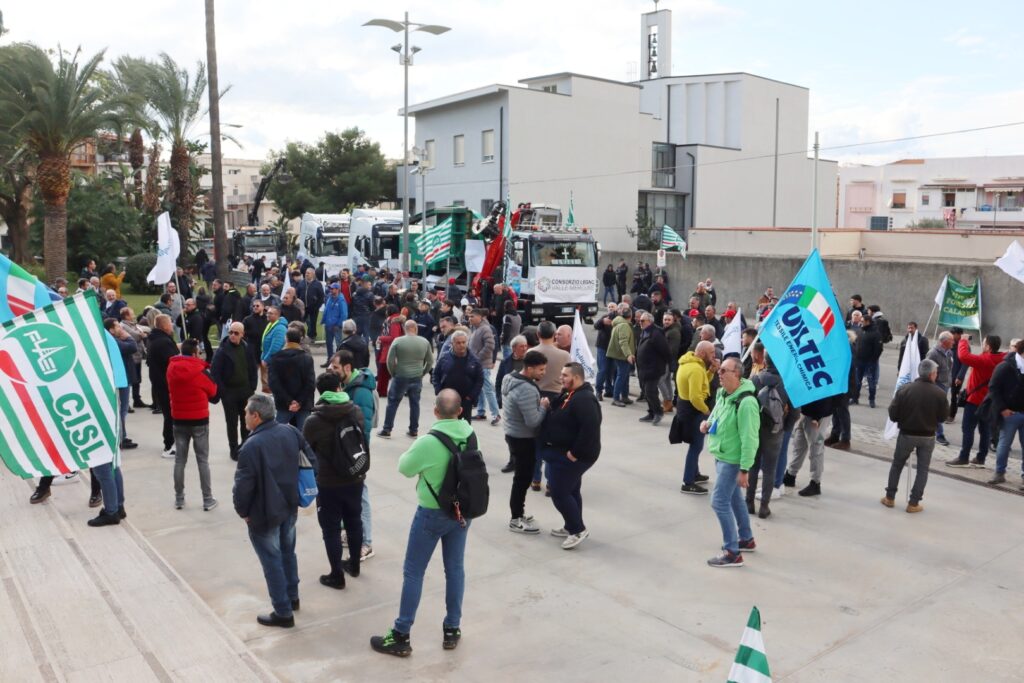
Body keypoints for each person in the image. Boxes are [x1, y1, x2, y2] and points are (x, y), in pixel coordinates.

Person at [369, 389, 475, 657]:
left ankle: (401, 633)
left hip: (432, 513)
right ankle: (452, 628)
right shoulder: (470, 434)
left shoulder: (428, 441)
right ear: (460, 411)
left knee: (414, 572)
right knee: (455, 569)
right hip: (462, 513)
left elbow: (405, 468)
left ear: (436, 411)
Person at [233, 393, 318, 629]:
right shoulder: (291, 432)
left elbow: (243, 488)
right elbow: (312, 462)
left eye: (246, 412)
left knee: (272, 562)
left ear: (256, 416)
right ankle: (292, 597)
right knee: (288, 553)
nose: (244, 415)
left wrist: (243, 512)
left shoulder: (251, 446)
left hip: (264, 514)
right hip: (289, 508)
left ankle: (283, 612)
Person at [304, 372, 367, 588]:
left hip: (328, 482)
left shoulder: (313, 421)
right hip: (355, 476)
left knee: (330, 529)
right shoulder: (355, 411)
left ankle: (336, 575)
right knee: (354, 521)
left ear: (320, 392)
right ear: (339, 387)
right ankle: (354, 565)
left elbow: (307, 450)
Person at [702, 357, 759, 568]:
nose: (719, 372)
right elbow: (717, 416)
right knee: (735, 499)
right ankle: (746, 538)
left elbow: (750, 439)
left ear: (737, 374)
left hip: (732, 461)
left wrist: (745, 469)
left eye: (724, 370)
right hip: (722, 454)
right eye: (720, 369)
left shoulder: (746, 403)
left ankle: (732, 552)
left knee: (719, 502)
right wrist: (708, 424)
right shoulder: (723, 394)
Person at [538, 362, 601, 549]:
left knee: (559, 492)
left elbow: (590, 429)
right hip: (563, 452)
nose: (561, 378)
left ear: (577, 377)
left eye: (565, 375)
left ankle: (577, 530)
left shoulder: (585, 399)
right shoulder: (570, 393)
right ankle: (571, 525)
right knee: (571, 490)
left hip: (575, 456)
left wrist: (575, 453)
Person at [329, 349, 379, 562]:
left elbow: (363, 428)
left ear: (347, 368)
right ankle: (351, 533)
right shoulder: (347, 386)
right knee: (347, 495)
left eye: (335, 367)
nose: (331, 370)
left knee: (361, 496)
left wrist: (356, 458)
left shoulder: (361, 392)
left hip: (356, 454)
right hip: (347, 452)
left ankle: (366, 542)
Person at [881, 359, 949, 512]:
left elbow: (893, 413)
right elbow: (943, 417)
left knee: (897, 465)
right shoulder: (940, 393)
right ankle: (913, 503)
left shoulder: (905, 389)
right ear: (931, 374)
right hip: (928, 436)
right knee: (922, 470)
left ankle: (890, 497)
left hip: (907, 434)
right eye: (936, 373)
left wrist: (902, 419)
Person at [167, 339, 220, 511]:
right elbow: (213, 391)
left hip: (179, 418)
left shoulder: (171, 368)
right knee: (202, 460)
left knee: (180, 460)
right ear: (195, 353)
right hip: (199, 420)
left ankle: (179, 498)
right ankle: (207, 499)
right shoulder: (200, 371)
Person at [502, 350, 548, 533]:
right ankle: (516, 519)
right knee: (522, 480)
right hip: (523, 439)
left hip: (513, 434)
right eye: (541, 369)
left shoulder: (510, 378)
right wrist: (543, 407)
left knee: (521, 478)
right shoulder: (526, 389)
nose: (544, 373)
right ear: (529, 369)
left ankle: (519, 513)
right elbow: (533, 421)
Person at [745, 353, 791, 519]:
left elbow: (745, 402)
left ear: (765, 361)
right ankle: (764, 506)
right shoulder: (787, 383)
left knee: (753, 465)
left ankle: (749, 502)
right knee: (770, 470)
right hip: (774, 431)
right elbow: (795, 412)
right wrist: (785, 427)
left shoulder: (755, 380)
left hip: (755, 428)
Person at [947, 335, 1002, 468]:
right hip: (989, 401)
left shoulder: (985, 360)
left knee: (968, 429)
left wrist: (963, 340)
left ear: (988, 347)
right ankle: (981, 458)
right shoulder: (1001, 358)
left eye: (984, 343)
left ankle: (963, 457)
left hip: (975, 401)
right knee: (985, 430)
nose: (982, 344)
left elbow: (963, 356)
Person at [211, 322, 259, 461]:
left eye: (236, 333)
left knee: (246, 421)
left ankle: (245, 446)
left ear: (242, 334)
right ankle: (233, 449)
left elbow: (253, 368)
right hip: (229, 393)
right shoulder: (222, 351)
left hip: (246, 391)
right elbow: (215, 373)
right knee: (232, 423)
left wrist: (252, 386)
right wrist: (223, 392)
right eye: (230, 332)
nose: (232, 335)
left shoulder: (247, 348)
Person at [379, 319, 434, 438]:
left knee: (393, 403)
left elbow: (390, 360)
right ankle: (413, 430)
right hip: (416, 376)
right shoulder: (424, 342)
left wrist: (393, 373)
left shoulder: (398, 341)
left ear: (405, 328)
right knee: (415, 404)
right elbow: (430, 361)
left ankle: (387, 429)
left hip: (401, 375)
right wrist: (422, 373)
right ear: (416, 328)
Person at [676, 341, 718, 494]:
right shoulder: (695, 369)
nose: (714, 356)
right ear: (702, 353)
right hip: (693, 411)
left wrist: (711, 371)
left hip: (686, 408)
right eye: (711, 353)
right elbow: (695, 397)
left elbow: (701, 382)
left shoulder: (690, 362)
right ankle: (688, 482)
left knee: (696, 445)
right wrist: (706, 411)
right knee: (696, 446)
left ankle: (695, 473)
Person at [986, 338, 1024, 486]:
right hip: (1010, 414)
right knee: (1004, 445)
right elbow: (993, 388)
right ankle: (999, 472)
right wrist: (1002, 408)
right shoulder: (1005, 366)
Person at [782, 393, 835, 497]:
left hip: (818, 416)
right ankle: (791, 475)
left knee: (816, 450)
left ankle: (815, 483)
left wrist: (817, 417)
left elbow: (826, 396)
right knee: (799, 445)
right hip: (806, 412)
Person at [268, 327, 316, 429]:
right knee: (304, 435)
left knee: (278, 434)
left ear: (286, 339)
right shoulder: (307, 358)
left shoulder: (276, 358)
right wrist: (299, 401)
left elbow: (274, 383)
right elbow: (310, 383)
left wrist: (289, 401)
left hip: (283, 404)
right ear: (300, 339)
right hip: (303, 404)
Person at [432, 330, 484, 422]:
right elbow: (435, 374)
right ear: (452, 344)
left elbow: (479, 380)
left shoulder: (474, 360)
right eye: (458, 343)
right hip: (447, 399)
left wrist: (470, 397)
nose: (461, 345)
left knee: (464, 426)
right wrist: (438, 391)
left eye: (464, 342)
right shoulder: (444, 357)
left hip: (465, 401)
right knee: (446, 425)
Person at [103, 319, 139, 450]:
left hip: (122, 378)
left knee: (122, 408)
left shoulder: (114, 340)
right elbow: (132, 347)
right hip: (121, 379)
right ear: (111, 330)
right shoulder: (113, 341)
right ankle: (121, 437)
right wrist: (128, 337)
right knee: (121, 409)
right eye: (118, 326)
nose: (121, 329)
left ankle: (122, 435)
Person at [147, 314, 179, 458]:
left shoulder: (156, 339)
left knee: (169, 414)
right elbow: (173, 362)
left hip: (160, 382)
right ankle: (169, 445)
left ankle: (171, 443)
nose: (172, 325)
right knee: (170, 415)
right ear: (165, 326)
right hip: (165, 384)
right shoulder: (163, 342)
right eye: (170, 323)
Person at [635, 311, 669, 425]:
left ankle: (658, 412)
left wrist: (663, 364)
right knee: (646, 392)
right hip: (643, 369)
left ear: (649, 321)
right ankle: (651, 413)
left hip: (654, 369)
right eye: (640, 320)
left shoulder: (656, 334)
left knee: (650, 391)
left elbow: (665, 351)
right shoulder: (644, 331)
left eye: (642, 320)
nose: (640, 322)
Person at [467, 308, 500, 424]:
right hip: (476, 364)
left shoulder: (485, 328)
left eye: (472, 316)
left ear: (480, 317)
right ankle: (481, 412)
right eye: (469, 316)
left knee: (487, 389)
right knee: (480, 389)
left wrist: (477, 358)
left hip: (483, 365)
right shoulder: (476, 328)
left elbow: (490, 345)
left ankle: (496, 414)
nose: (470, 319)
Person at [925, 331, 955, 446]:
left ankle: (930, 431)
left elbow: (949, 368)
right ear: (944, 341)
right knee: (936, 410)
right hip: (936, 386)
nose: (953, 342)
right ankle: (939, 435)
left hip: (945, 385)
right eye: (951, 340)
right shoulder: (933, 353)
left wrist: (949, 381)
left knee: (936, 410)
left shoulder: (949, 352)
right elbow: (927, 371)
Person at [119, 308, 150, 409]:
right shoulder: (123, 326)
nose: (134, 315)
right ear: (126, 316)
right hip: (131, 357)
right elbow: (135, 336)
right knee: (130, 380)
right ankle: (126, 403)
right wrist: (141, 335)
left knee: (137, 379)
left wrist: (142, 334)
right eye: (132, 314)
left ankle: (137, 399)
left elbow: (145, 331)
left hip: (138, 356)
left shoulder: (133, 324)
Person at [605, 308, 636, 406]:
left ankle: (625, 397)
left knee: (624, 377)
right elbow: (623, 341)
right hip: (622, 355)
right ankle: (616, 398)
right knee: (621, 377)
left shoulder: (619, 323)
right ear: (631, 316)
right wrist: (628, 355)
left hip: (619, 354)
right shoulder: (624, 325)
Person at [851, 314, 883, 407]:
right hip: (858, 361)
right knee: (857, 381)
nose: (861, 323)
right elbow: (855, 344)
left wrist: (873, 360)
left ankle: (871, 400)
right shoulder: (860, 331)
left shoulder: (875, 333)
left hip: (869, 363)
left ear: (868, 322)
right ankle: (855, 398)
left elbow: (879, 349)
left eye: (862, 321)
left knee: (871, 382)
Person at [593, 303, 618, 401]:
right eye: (609, 307)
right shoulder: (604, 317)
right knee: (603, 370)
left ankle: (609, 390)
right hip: (603, 347)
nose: (611, 308)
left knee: (611, 370)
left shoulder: (619, 318)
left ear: (617, 309)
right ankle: (598, 391)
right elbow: (596, 326)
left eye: (613, 307)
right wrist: (602, 321)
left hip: (614, 348)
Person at [261, 305, 286, 392]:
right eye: (267, 313)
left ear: (277, 315)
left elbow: (275, 347)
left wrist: (266, 359)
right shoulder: (271, 324)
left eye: (270, 313)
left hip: (274, 361)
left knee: (274, 385)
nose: (267, 315)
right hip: (270, 360)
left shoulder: (280, 328)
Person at [322, 283, 349, 365]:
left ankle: (340, 362)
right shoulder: (329, 298)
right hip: (328, 325)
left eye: (332, 288)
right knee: (329, 344)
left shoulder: (341, 300)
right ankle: (330, 361)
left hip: (336, 327)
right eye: (330, 288)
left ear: (337, 289)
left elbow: (344, 314)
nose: (331, 290)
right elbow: (326, 310)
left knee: (339, 345)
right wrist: (324, 321)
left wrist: (338, 325)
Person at [300, 268, 325, 341]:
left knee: (312, 323)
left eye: (308, 273)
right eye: (306, 273)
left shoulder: (317, 284)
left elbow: (321, 296)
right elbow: (297, 294)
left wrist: (317, 306)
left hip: (313, 308)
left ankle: (312, 337)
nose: (306, 274)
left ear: (313, 274)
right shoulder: (302, 283)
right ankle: (300, 336)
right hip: (302, 308)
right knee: (300, 322)